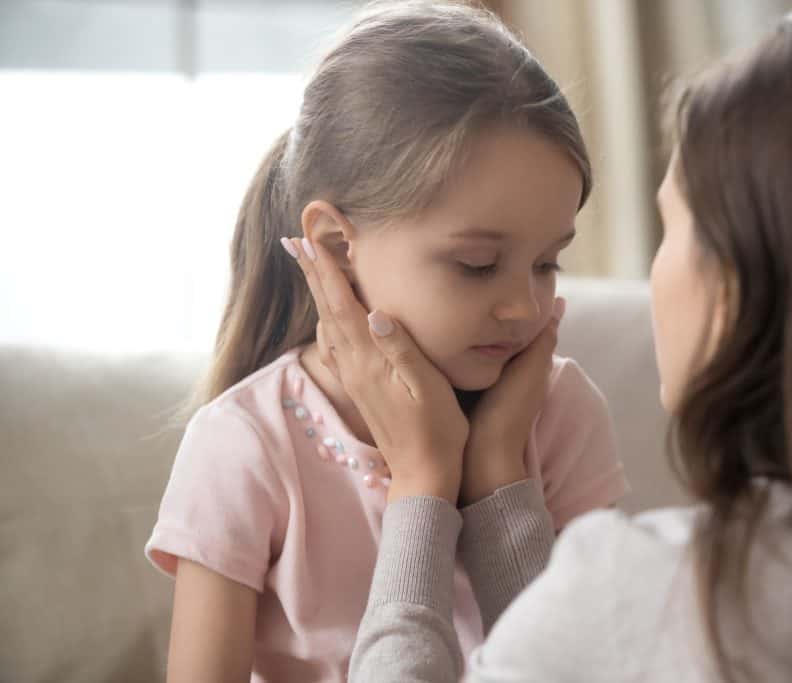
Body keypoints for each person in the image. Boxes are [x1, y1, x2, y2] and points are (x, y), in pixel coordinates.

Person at [293, 4, 792, 682]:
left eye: (673, 227)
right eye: (481, 265)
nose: (525, 302)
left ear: (738, 287)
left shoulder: (654, 594)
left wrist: (425, 483)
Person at [143, 2, 629, 680]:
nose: (525, 304)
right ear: (339, 246)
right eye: (477, 265)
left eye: (547, 262)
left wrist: (498, 473)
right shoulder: (244, 445)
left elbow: (581, 670)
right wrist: (428, 479)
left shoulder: (560, 414)